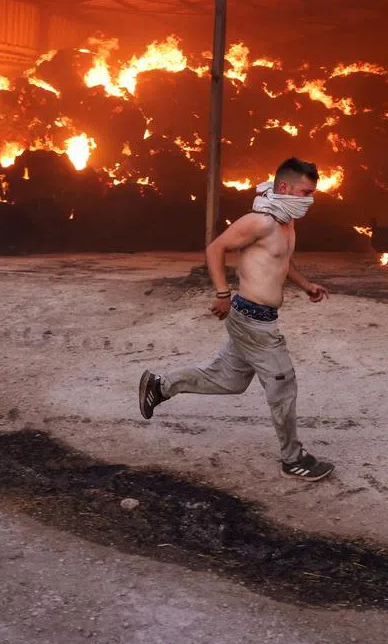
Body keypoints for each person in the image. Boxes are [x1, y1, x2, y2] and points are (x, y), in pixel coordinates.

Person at [139, 157, 335, 482]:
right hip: (252, 321)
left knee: (228, 380)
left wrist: (305, 285)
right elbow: (216, 248)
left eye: (312, 193)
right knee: (283, 386)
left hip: (260, 319)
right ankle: (293, 458)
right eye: (304, 193)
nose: (309, 200)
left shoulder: (286, 223)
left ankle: (160, 386)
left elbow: (282, 260)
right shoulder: (260, 221)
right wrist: (221, 293)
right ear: (283, 188)